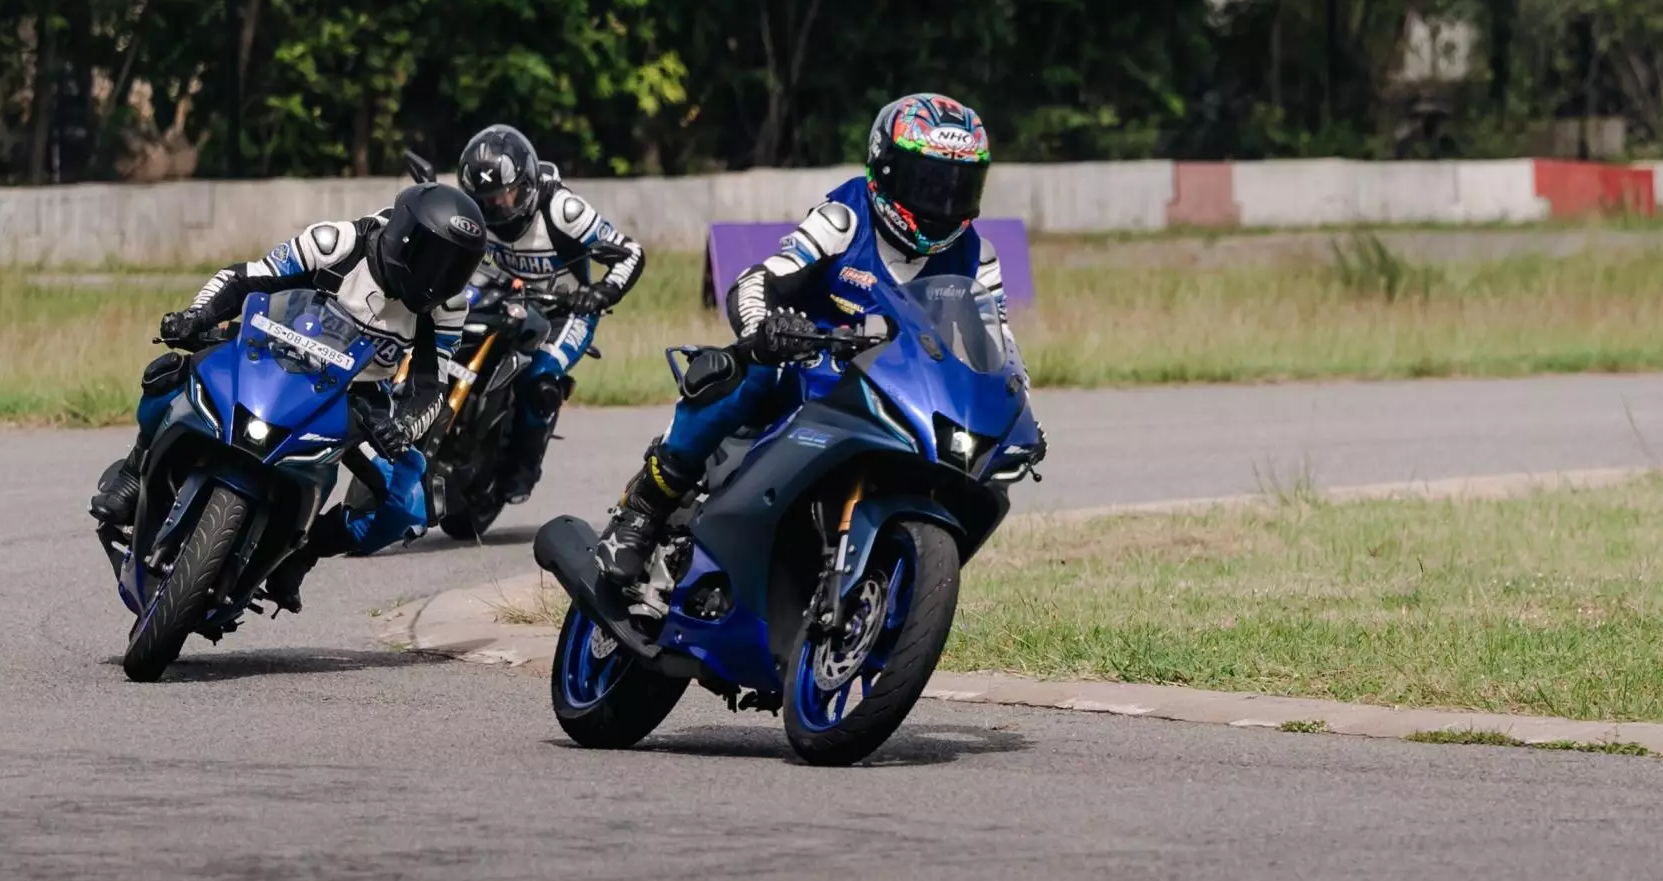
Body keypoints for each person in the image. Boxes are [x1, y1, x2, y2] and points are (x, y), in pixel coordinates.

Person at [590, 92, 1036, 590]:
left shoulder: (979, 258)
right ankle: (644, 510)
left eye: (959, 186)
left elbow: (999, 351)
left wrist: (1019, 415)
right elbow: (759, 280)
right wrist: (764, 331)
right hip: (810, 367)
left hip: (901, 392)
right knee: (743, 371)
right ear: (884, 169)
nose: (943, 204)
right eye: (929, 183)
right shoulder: (844, 219)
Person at [89, 182, 493, 611]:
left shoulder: (447, 307)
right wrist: (197, 314)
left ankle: (303, 552)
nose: (439, 280)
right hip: (274, 349)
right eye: (434, 263)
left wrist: (402, 428)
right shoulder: (337, 242)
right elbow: (246, 276)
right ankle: (135, 471)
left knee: (408, 502)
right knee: (168, 373)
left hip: (357, 394)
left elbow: (433, 385)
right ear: (403, 238)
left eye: (455, 270)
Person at [451, 123, 646, 504]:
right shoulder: (474, 213)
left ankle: (523, 468)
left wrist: (602, 292)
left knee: (540, 378)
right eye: (486, 201)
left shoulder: (564, 210)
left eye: (504, 198)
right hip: (499, 299)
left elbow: (631, 253)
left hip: (565, 312)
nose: (496, 209)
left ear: (525, 184)